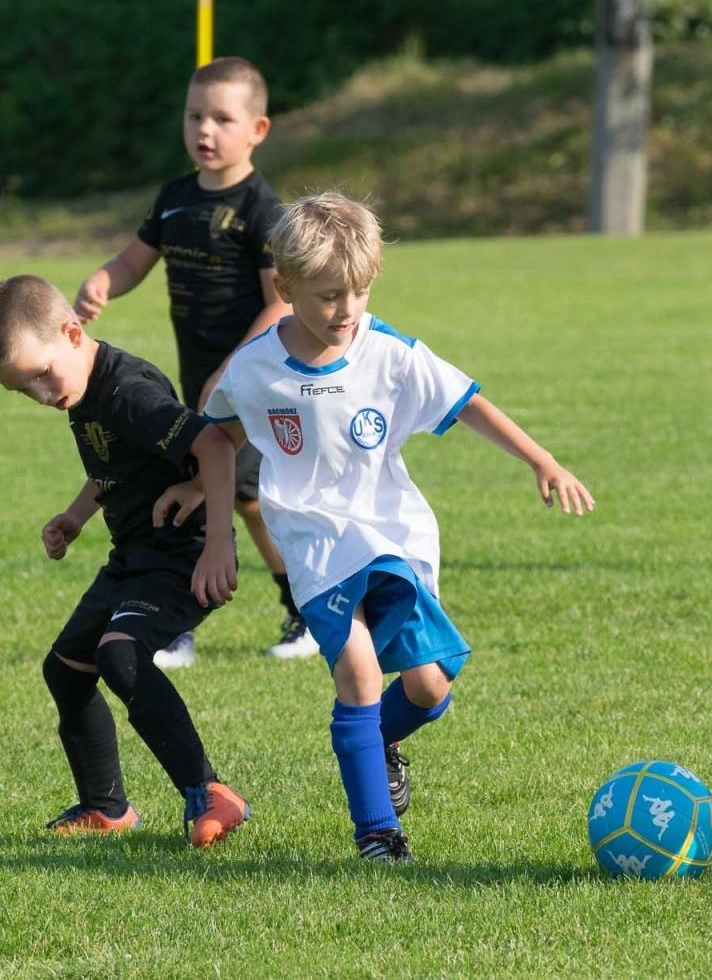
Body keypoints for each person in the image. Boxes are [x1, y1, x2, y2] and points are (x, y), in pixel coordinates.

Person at [166, 192, 593, 862]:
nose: (347, 312)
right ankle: (378, 834)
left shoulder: (388, 352)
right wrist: (216, 528)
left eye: (359, 292)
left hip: (393, 532)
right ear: (285, 287)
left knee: (428, 688)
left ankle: (376, 739)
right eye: (330, 296)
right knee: (360, 673)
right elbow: (215, 436)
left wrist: (540, 459)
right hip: (313, 542)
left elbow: (466, 402)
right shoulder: (255, 368)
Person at [0, 274, 250, 846]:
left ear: (73, 332)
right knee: (66, 669)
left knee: (119, 656)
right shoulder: (83, 388)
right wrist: (75, 516)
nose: (43, 396)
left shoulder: (129, 391)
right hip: (132, 556)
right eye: (24, 390)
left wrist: (219, 541)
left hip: (180, 554)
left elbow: (214, 445)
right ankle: (106, 808)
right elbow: (113, 465)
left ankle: (211, 794)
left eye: (42, 376)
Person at [75, 56, 313, 667]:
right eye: (194, 116)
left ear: (258, 130)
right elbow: (134, 261)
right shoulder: (175, 199)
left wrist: (233, 370)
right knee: (202, 489)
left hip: (252, 379)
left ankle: (299, 609)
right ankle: (175, 616)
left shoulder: (264, 210)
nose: (205, 131)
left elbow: (279, 305)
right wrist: (104, 279)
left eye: (222, 119)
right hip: (195, 383)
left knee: (244, 496)